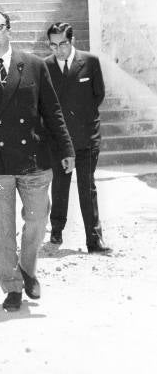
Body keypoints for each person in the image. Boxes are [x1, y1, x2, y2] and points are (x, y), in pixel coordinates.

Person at [0, 9, 75, 312]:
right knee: (1, 230)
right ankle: (11, 287)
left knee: (37, 219)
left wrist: (67, 150)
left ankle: (27, 269)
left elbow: (53, 112)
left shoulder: (34, 65)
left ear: (9, 30)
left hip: (33, 160)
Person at [45, 22, 112, 254]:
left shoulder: (90, 62)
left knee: (87, 186)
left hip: (87, 138)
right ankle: (56, 230)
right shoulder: (46, 66)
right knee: (60, 187)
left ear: (71, 40)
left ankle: (94, 239)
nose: (58, 50)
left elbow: (98, 95)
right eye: (53, 45)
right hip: (61, 142)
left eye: (62, 43)